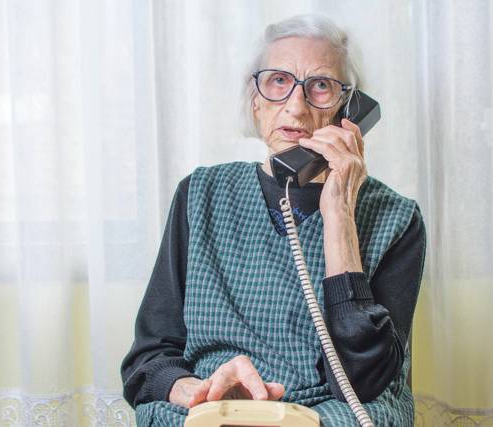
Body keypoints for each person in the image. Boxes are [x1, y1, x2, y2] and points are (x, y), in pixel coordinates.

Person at [121, 13, 426, 427]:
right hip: (215, 407)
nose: (296, 107)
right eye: (278, 81)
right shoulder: (200, 194)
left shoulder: (397, 217)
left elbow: (364, 383)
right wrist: (202, 393)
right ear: (255, 101)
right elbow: (147, 362)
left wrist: (339, 215)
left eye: (321, 86)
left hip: (327, 413)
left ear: (349, 111)